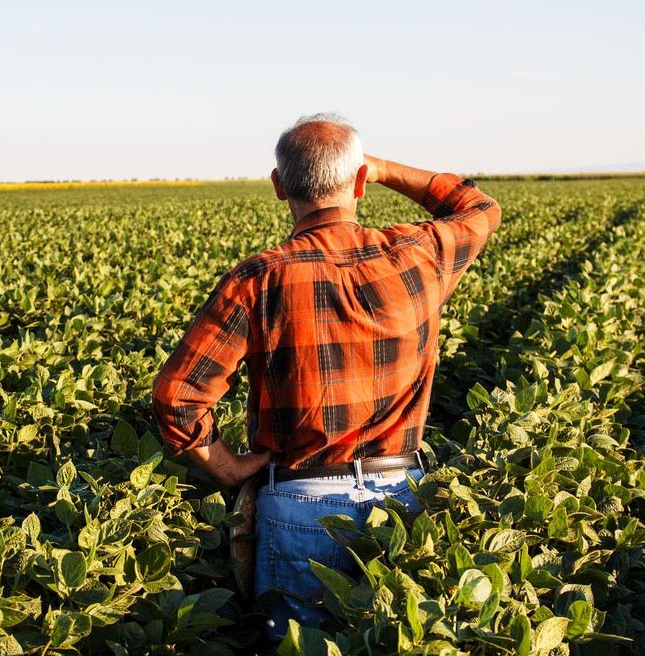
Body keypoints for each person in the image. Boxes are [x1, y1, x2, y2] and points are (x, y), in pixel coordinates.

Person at [150, 113, 501, 638]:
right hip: (401, 502)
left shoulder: (258, 278)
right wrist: (383, 168)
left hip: (298, 503)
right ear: (360, 182)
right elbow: (479, 207)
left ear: (278, 186)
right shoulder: (418, 254)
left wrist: (225, 467)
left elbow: (178, 396)